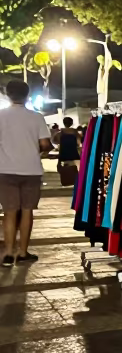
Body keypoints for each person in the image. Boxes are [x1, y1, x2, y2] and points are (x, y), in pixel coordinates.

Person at [0, 80, 52, 266]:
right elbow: (46, 145)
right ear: (27, 95)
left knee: (10, 212)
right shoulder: (36, 117)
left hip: (5, 171)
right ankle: (22, 252)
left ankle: (7, 253)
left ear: (7, 94)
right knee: (27, 211)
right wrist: (36, 150)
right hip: (31, 170)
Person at [55, 116, 82, 187]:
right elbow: (79, 143)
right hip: (74, 153)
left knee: (63, 167)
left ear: (63, 123)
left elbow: (55, 141)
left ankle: (66, 180)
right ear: (72, 123)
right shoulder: (75, 132)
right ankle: (76, 181)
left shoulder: (60, 133)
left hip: (63, 153)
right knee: (77, 167)